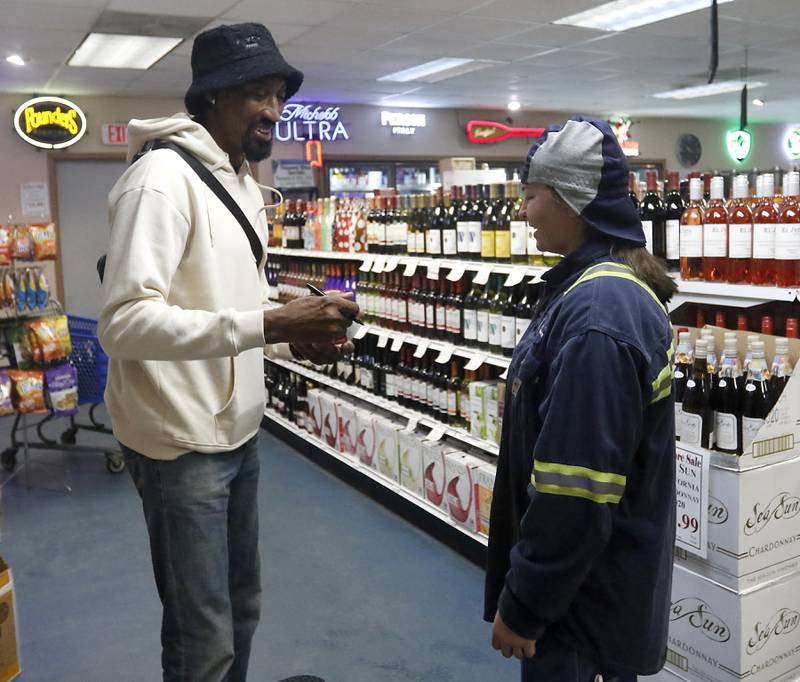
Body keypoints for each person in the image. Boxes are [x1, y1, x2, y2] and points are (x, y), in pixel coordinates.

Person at [98, 23, 358, 682]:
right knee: (203, 631)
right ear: (212, 97)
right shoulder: (160, 180)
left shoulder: (243, 182)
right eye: (255, 94)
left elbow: (229, 300)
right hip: (178, 444)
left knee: (241, 610)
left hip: (239, 432)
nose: (273, 110)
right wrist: (268, 325)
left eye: (278, 94)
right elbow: (125, 324)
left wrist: (302, 333)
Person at [484, 116, 678, 681]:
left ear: (570, 201)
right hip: (590, 597)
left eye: (532, 194)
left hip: (582, 612)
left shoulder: (599, 316)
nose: (524, 210)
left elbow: (577, 489)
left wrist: (525, 604)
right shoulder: (595, 291)